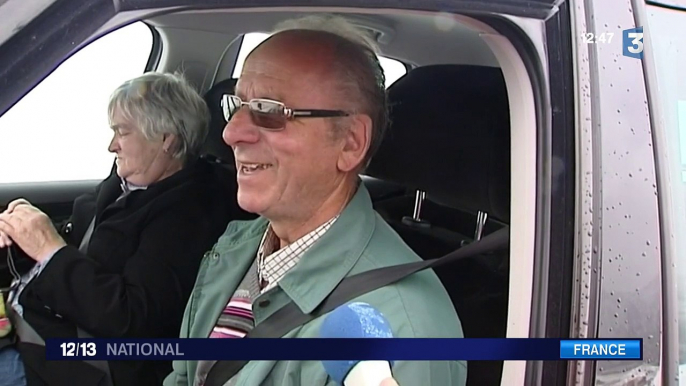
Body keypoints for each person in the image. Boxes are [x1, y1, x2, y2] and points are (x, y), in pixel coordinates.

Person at [164, 15, 466, 386]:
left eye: (269, 110)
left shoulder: (401, 330)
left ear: (351, 142)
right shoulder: (237, 245)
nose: (231, 132)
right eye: (237, 105)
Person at [0, 72, 250, 386]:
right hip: (36, 327)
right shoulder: (127, 183)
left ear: (166, 140)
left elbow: (132, 319)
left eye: (122, 132)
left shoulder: (188, 213)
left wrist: (51, 252)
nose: (111, 146)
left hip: (89, 363)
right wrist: (22, 235)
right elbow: (81, 241)